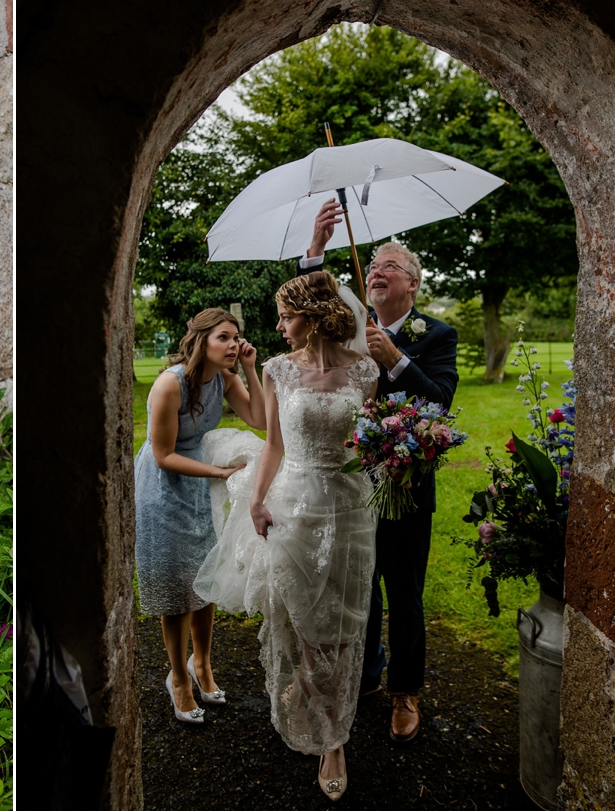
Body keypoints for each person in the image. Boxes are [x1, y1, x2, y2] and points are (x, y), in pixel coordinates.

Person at [194, 271, 378, 801]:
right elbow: (272, 443)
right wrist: (256, 500)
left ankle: (334, 737)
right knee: (297, 614)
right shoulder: (276, 370)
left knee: (342, 620)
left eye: (286, 315)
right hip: (292, 506)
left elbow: (366, 440)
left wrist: (392, 456)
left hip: (349, 505)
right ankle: (306, 691)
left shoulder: (366, 370)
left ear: (314, 317)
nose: (278, 327)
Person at [299, 198, 460, 743]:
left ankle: (404, 690)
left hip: (408, 489)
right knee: (358, 587)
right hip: (354, 485)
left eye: (388, 264)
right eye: (371, 266)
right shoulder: (349, 326)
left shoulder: (436, 336)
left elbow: (441, 401)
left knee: (405, 592)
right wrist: (317, 249)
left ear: (413, 283)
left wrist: (394, 357)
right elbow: (311, 303)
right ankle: (366, 674)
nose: (375, 271)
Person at [134, 308, 265, 725]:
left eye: (236, 338)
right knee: (175, 587)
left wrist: (250, 369)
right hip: (164, 485)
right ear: (201, 342)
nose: (232, 345)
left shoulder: (226, 378)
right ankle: (177, 677)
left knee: (204, 575)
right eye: (224, 338)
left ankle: (202, 664)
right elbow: (163, 455)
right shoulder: (169, 385)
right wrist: (221, 473)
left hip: (201, 484)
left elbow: (259, 419)